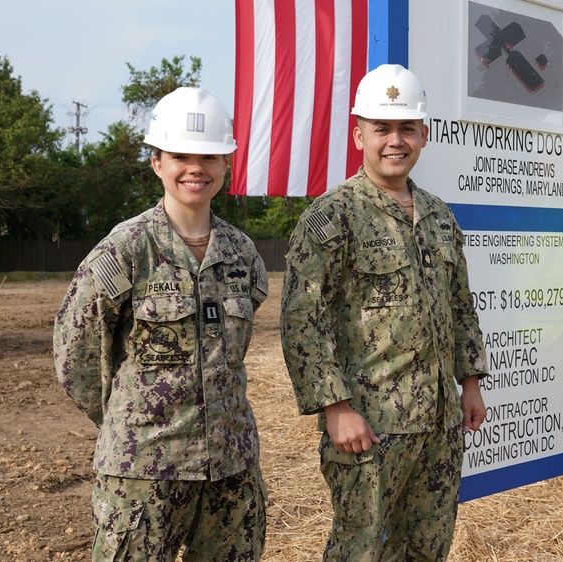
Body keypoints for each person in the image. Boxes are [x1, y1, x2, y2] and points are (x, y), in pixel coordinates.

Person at [280, 63, 488, 561]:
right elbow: (301, 321)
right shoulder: (333, 216)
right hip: (370, 426)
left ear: (424, 135)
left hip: (438, 422)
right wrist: (336, 408)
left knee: (426, 548)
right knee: (359, 550)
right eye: (382, 129)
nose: (395, 140)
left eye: (406, 129)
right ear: (359, 136)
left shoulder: (440, 215)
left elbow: (461, 303)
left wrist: (471, 382)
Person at [53, 87, 269, 561]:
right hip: (144, 473)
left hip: (230, 469)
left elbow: (232, 355)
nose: (196, 168)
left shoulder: (242, 254)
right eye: (180, 156)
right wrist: (127, 425)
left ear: (226, 164)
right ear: (157, 163)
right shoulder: (124, 250)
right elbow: (77, 358)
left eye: (209, 156)